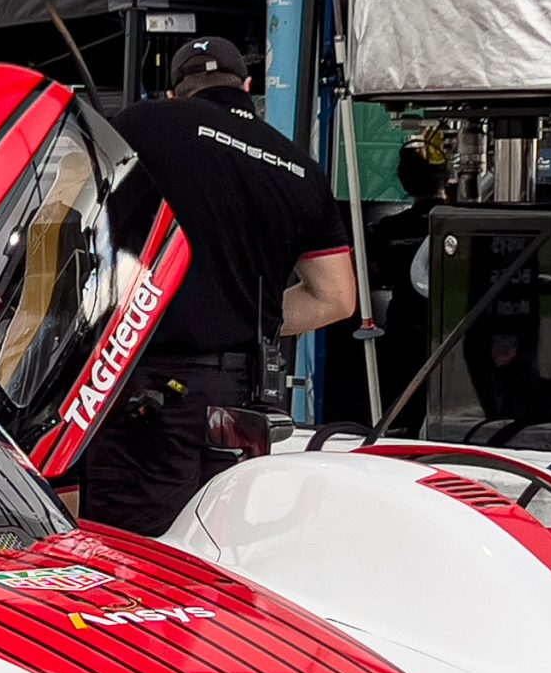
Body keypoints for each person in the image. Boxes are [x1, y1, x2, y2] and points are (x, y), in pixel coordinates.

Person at [80, 37, 359, 535]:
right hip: (244, 402)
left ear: (176, 94)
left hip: (148, 388)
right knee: (224, 549)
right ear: (247, 88)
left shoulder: (144, 124)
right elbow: (336, 298)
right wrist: (247, 314)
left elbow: (69, 217)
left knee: (135, 553)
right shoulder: (300, 169)